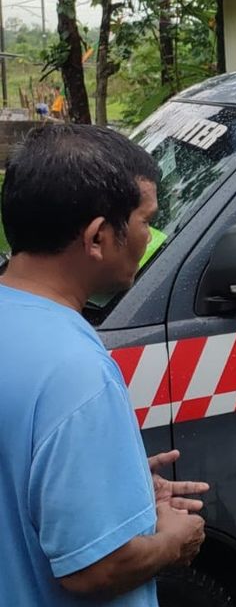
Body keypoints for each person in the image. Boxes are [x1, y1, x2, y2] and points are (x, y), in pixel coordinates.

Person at [0, 124, 208, 606]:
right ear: (97, 237)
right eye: (144, 221)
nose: (150, 236)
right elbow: (95, 569)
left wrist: (122, 476)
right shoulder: (75, 369)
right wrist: (176, 541)